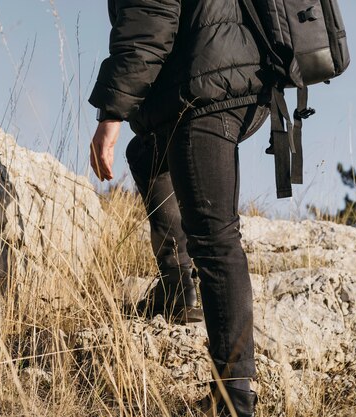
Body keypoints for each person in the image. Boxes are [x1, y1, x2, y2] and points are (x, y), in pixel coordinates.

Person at [88, 1, 270, 416]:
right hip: (231, 75)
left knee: (214, 237)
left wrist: (111, 115)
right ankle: (177, 291)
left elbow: (148, 25)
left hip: (206, 89)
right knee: (148, 154)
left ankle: (235, 397)